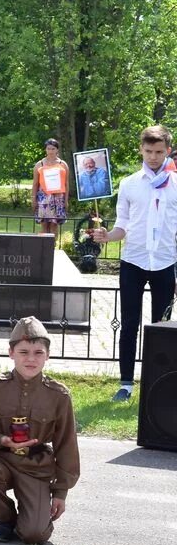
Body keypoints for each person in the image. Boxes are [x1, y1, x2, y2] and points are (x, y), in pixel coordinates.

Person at [0, 316, 80, 544]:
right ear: (11, 353)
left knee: (35, 535)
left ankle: (28, 518)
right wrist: (1, 440)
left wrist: (60, 492)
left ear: (47, 355)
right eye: (24, 352)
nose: (31, 359)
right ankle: (4, 518)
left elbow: (66, 445)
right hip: (1, 460)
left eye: (38, 352)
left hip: (35, 468)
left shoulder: (58, 395)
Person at [91, 125, 177, 402]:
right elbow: (122, 227)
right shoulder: (129, 184)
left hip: (165, 262)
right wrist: (107, 236)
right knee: (129, 325)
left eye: (159, 152)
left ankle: (156, 385)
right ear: (141, 149)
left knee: (160, 328)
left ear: (168, 151)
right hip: (133, 262)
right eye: (149, 151)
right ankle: (126, 383)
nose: (153, 157)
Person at [33, 138, 69, 240]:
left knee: (54, 225)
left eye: (53, 149)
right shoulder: (39, 164)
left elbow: (66, 184)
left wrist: (66, 201)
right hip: (43, 198)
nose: (51, 151)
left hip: (58, 199)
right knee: (44, 224)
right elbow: (35, 184)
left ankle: (53, 248)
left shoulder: (63, 164)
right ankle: (42, 248)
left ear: (57, 150)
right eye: (48, 149)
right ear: (45, 150)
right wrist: (33, 199)